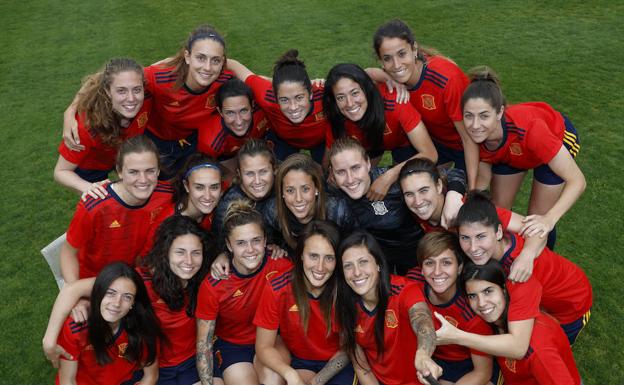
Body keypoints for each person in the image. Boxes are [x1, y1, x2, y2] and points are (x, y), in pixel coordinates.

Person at [63, 25, 233, 180]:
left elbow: (255, 82)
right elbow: (102, 80)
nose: (208, 67)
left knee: (186, 187)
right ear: (187, 57)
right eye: (201, 58)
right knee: (154, 191)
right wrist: (70, 111)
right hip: (157, 143)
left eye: (215, 61)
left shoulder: (224, 78)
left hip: (190, 142)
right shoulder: (159, 77)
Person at [461, 66, 585, 249]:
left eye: (484, 116)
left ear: (500, 113)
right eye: (468, 116)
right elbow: (484, 177)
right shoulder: (473, 135)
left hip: (553, 140)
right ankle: (504, 257)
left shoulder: (531, 130)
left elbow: (578, 181)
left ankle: (543, 264)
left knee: (538, 222)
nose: (475, 125)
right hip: (514, 151)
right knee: (499, 210)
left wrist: (549, 219)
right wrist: (466, 201)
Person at [455, 191, 592, 343]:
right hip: (542, 295)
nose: (473, 248)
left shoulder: (517, 272)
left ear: (498, 232)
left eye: (481, 237)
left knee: (552, 346)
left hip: (572, 302)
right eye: (465, 238)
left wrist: (527, 255)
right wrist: (452, 195)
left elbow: (517, 345)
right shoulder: (479, 214)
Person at [368, 19, 480, 189]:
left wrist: (471, 190)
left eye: (402, 54)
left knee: (458, 205)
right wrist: (387, 77)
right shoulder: (393, 76)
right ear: (381, 61)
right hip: (438, 145)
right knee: (414, 192)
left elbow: (469, 138)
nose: (396, 65)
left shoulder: (445, 79)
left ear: (414, 49)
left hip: (468, 147)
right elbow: (361, 75)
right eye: (387, 59)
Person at [328, 137, 464, 274]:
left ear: (368, 163)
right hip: (382, 267)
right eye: (341, 172)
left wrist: (454, 195)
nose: (350, 179)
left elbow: (451, 174)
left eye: (356, 168)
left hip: (424, 255)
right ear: (332, 174)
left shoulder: (390, 183)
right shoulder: (336, 205)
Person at [399, 158, 547, 283]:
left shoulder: (469, 209)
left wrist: (527, 256)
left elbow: (537, 230)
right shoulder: (419, 215)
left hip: (532, 270)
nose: (417, 201)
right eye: (409, 194)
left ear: (438, 186)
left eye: (424, 190)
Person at [195, 199, 292, 385]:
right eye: (241, 243)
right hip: (233, 345)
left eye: (256, 240)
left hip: (272, 339)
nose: (250, 250)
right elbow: (203, 345)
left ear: (265, 240)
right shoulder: (215, 284)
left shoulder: (281, 265)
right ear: (229, 246)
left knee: (273, 380)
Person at [60, 135, 173, 289]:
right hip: (94, 283)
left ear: (158, 171)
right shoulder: (95, 205)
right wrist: (75, 292)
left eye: (150, 171)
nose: (143, 179)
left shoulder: (167, 194)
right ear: (119, 171)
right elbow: (68, 253)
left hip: (136, 278)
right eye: (133, 172)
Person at [254, 220, 357, 385]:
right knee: (271, 376)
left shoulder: (346, 288)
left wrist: (316, 382)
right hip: (300, 361)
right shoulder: (279, 287)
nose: (320, 267)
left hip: (336, 364)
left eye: (329, 258)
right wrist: (290, 375)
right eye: (313, 256)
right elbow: (263, 347)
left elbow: (347, 349)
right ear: (301, 254)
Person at [335, 230, 442, 385]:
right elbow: (362, 366)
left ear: (378, 264)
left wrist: (423, 354)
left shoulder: (404, 289)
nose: (357, 272)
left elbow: (422, 321)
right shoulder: (345, 306)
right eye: (348, 266)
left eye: (363, 262)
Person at [451, 261, 582, 384]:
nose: (481, 303)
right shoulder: (492, 320)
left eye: (488, 291)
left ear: (503, 289)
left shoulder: (538, 350)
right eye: (472, 296)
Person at [323, 63, 437, 200]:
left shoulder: (395, 102)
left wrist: (389, 176)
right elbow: (329, 157)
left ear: (366, 89)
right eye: (341, 97)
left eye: (355, 93)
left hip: (402, 142)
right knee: (356, 184)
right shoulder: (336, 116)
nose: (350, 103)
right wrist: (330, 171)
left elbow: (430, 154)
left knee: (404, 186)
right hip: (368, 144)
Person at [42, 262, 161, 385]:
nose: (116, 303)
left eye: (127, 297)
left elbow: (151, 375)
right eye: (110, 293)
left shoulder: (141, 323)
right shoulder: (76, 328)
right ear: (98, 293)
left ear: (133, 304)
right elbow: (68, 380)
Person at [54, 57, 151, 199]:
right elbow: (61, 172)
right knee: (103, 207)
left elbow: (172, 61)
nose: (131, 98)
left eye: (137, 90)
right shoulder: (85, 126)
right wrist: (89, 187)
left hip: (123, 151)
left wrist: (70, 109)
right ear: (107, 91)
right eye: (121, 91)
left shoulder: (136, 80)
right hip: (93, 168)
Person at [407, 232, 494, 385]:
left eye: (446, 262)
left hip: (467, 364)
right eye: (429, 263)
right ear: (421, 268)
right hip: (431, 358)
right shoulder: (413, 283)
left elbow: (483, 372)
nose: (437, 271)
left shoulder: (471, 309)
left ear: (460, 268)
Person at [138, 215, 216, 384]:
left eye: (196, 253)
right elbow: (91, 288)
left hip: (191, 364)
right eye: (180, 252)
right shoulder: (142, 281)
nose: (189, 261)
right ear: (166, 252)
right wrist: (81, 303)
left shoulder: (204, 279)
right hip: (156, 369)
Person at [226, 50, 330, 163]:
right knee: (272, 172)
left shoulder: (325, 95)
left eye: (299, 97)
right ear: (275, 97)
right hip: (284, 140)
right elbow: (233, 65)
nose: (293, 107)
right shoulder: (266, 96)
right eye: (284, 100)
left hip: (321, 141)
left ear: (310, 94)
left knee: (330, 172)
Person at [267, 153, 354, 251]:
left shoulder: (338, 211)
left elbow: (354, 248)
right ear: (282, 192)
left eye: (305, 189)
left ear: (316, 188)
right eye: (290, 190)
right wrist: (273, 247)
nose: (298, 198)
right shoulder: (273, 211)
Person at [141, 154, 223, 255]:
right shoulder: (167, 222)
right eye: (199, 187)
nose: (207, 196)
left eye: (214, 187)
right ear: (186, 186)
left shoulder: (220, 209)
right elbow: (147, 260)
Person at [197, 78, 271, 180]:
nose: (239, 121)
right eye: (230, 113)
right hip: (227, 155)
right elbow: (205, 171)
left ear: (253, 106)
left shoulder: (264, 109)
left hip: (262, 139)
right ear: (220, 111)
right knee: (232, 181)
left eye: (243, 111)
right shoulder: (211, 142)